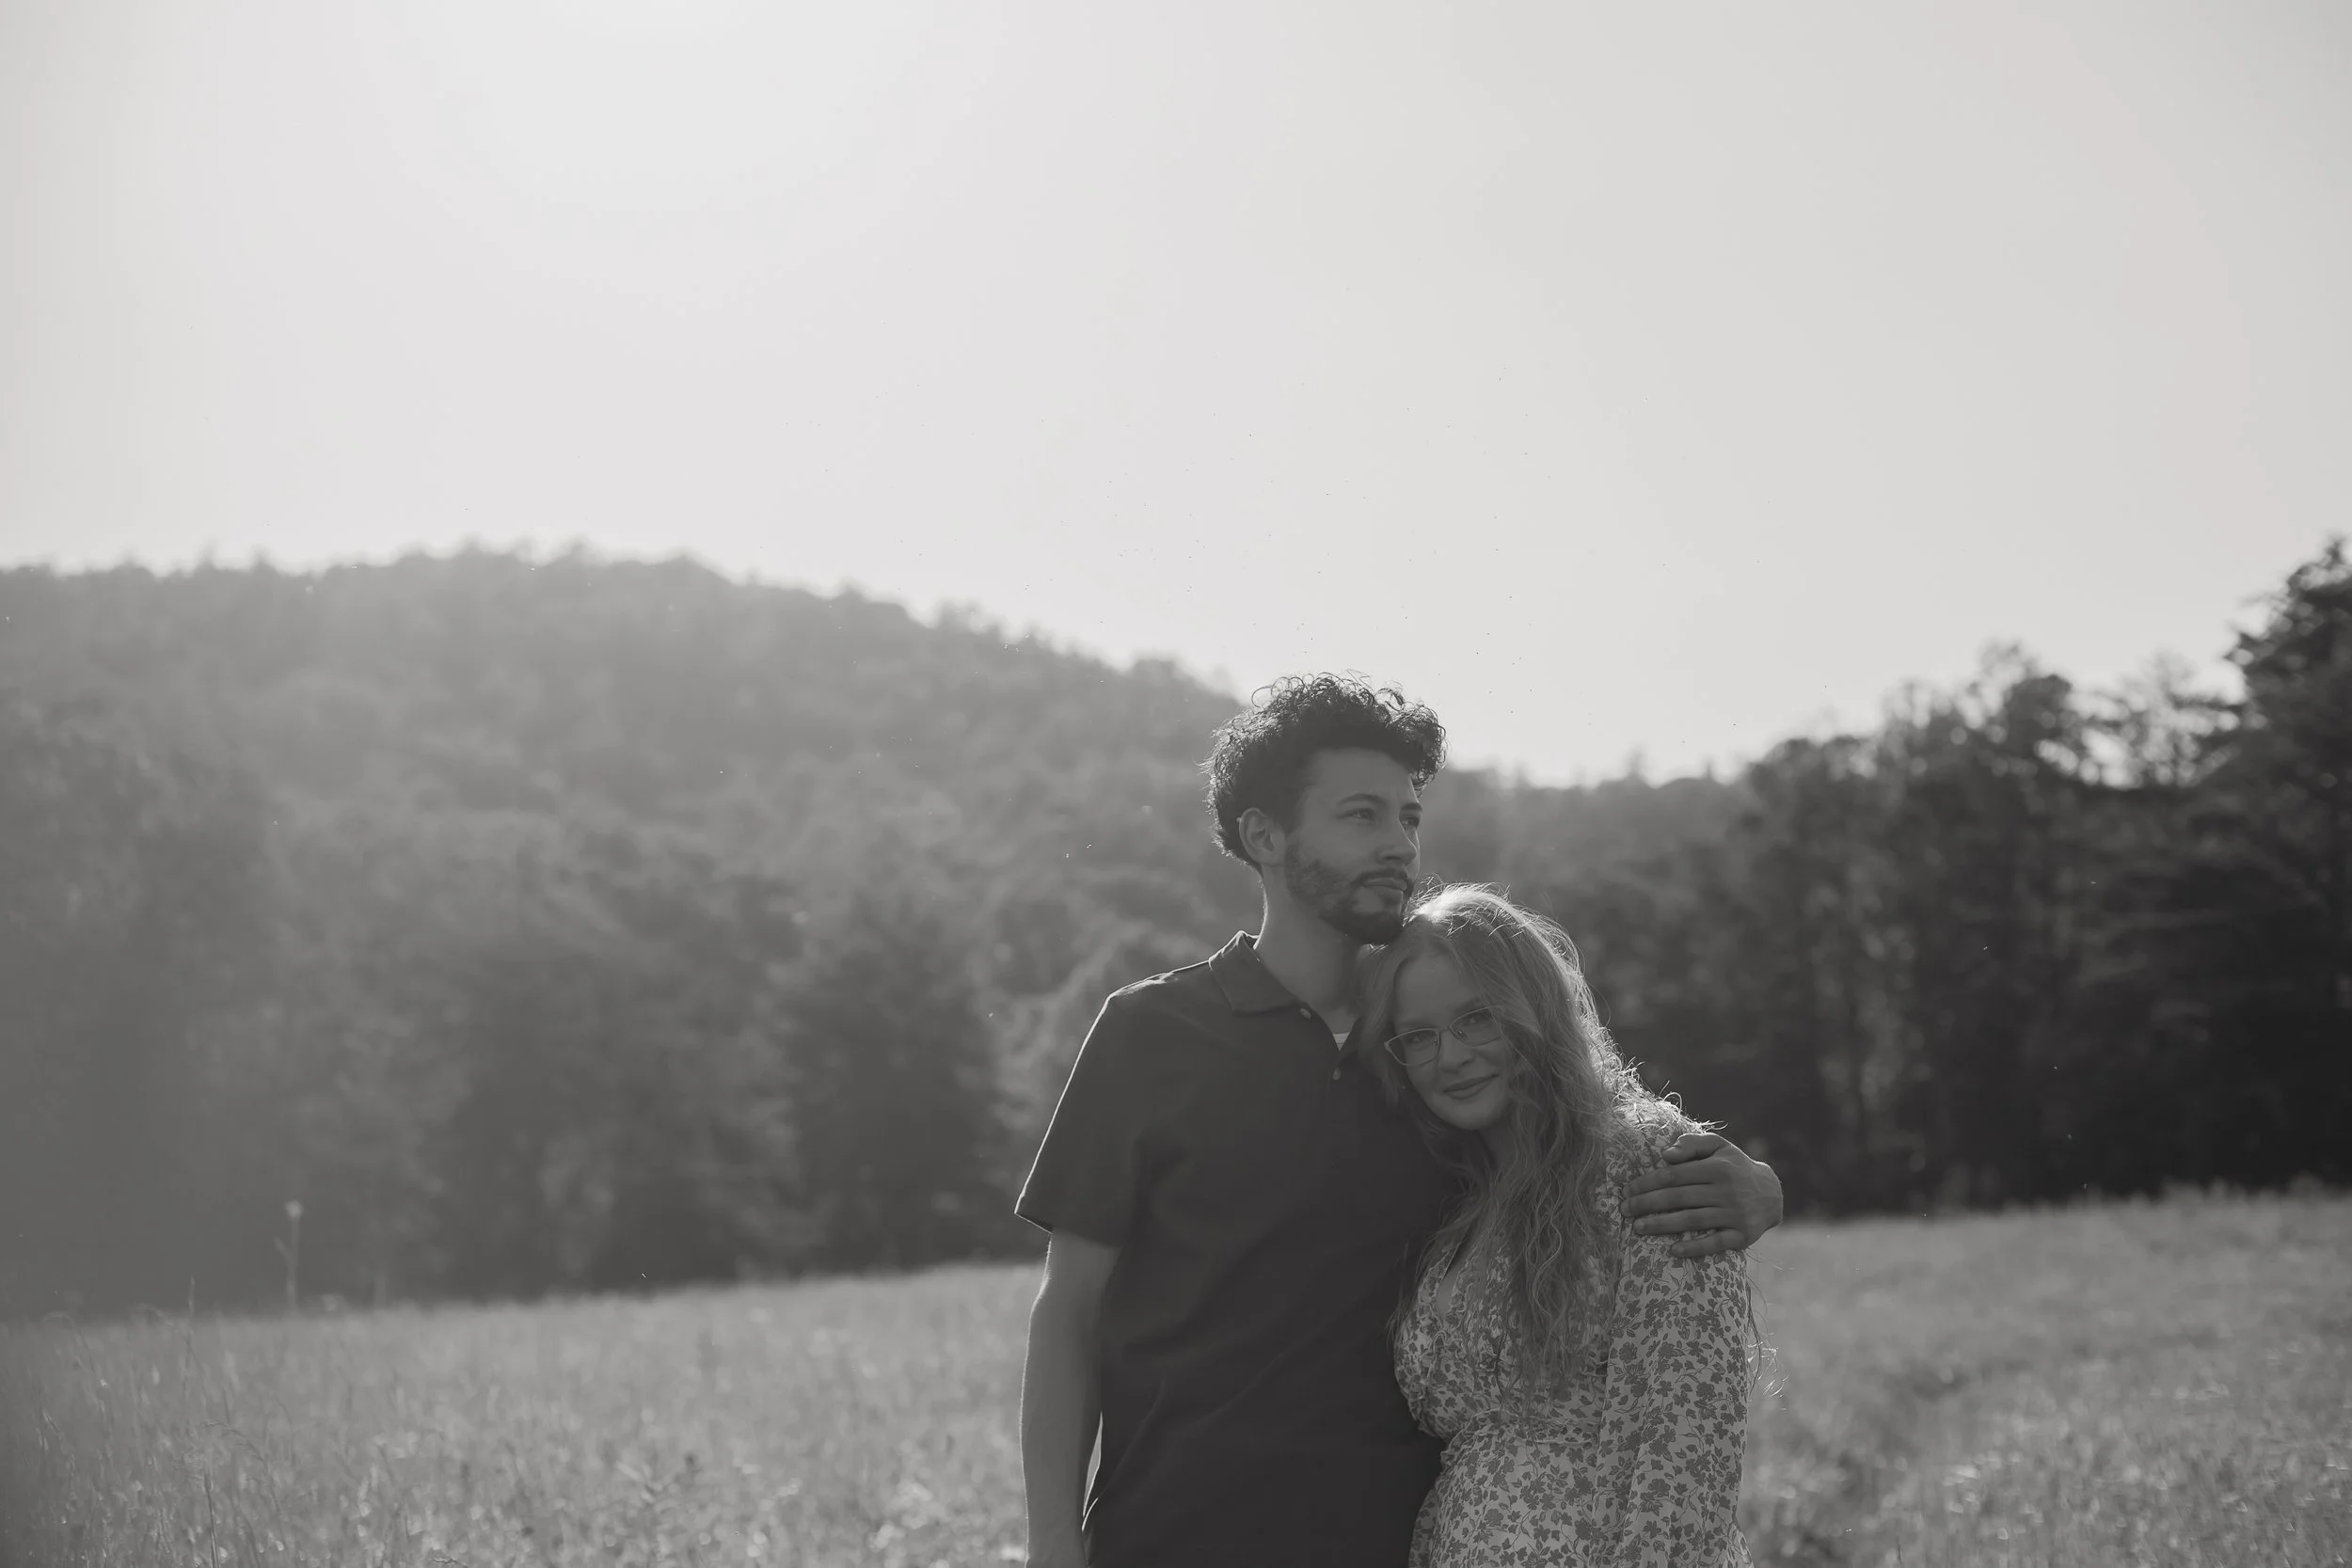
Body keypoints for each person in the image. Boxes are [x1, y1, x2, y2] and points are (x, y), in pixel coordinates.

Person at [1017, 676, 1780, 1568]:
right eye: (1361, 816)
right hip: (1172, 1536)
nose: (1398, 845)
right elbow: (1067, 1313)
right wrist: (1050, 1547)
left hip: (1394, 1545)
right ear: (1265, 835)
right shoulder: (1149, 1035)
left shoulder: (1432, 1062)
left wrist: (1761, 1187)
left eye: (1408, 817)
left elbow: (1579, 1149)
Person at [1363, 885, 1754, 1567]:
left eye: (1477, 1018)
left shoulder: (1641, 1160)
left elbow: (1688, 1440)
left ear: (1534, 1008)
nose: (1450, 1055)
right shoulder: (1460, 1205)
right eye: (1419, 1036)